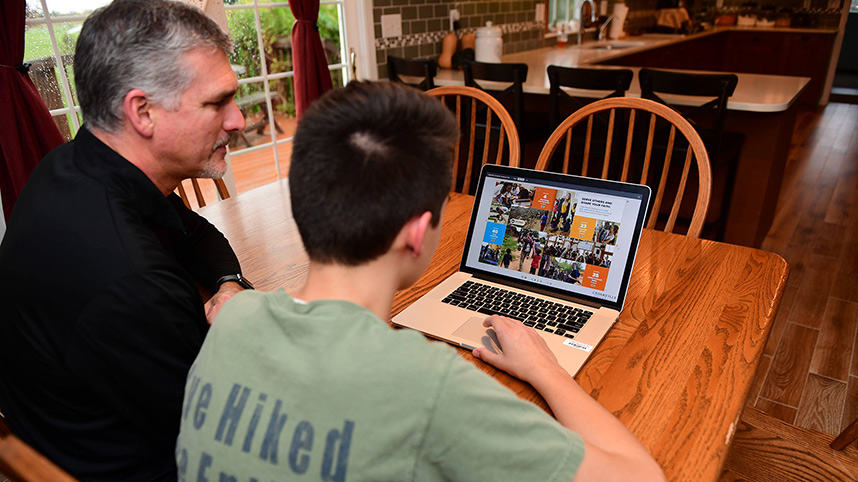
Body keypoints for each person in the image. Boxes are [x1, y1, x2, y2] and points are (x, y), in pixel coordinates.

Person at [175, 81, 664, 482]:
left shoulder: (231, 319)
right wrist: (545, 369)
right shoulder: (429, 387)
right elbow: (643, 477)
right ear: (416, 233)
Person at [0, 1, 250, 479]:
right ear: (143, 112)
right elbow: (227, 427)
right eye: (218, 102)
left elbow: (195, 233)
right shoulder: (134, 281)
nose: (237, 120)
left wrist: (228, 282)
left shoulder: (73, 165)